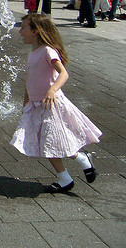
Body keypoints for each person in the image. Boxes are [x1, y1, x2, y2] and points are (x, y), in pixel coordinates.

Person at [11, 14, 101, 193]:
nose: (20, 31)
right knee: (47, 144)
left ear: (35, 31)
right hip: (37, 106)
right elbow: (30, 80)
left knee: (54, 142)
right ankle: (66, 177)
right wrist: (26, 101)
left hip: (52, 105)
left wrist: (52, 90)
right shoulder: (33, 54)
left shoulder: (47, 51)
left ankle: (81, 161)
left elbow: (64, 73)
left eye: (24, 28)